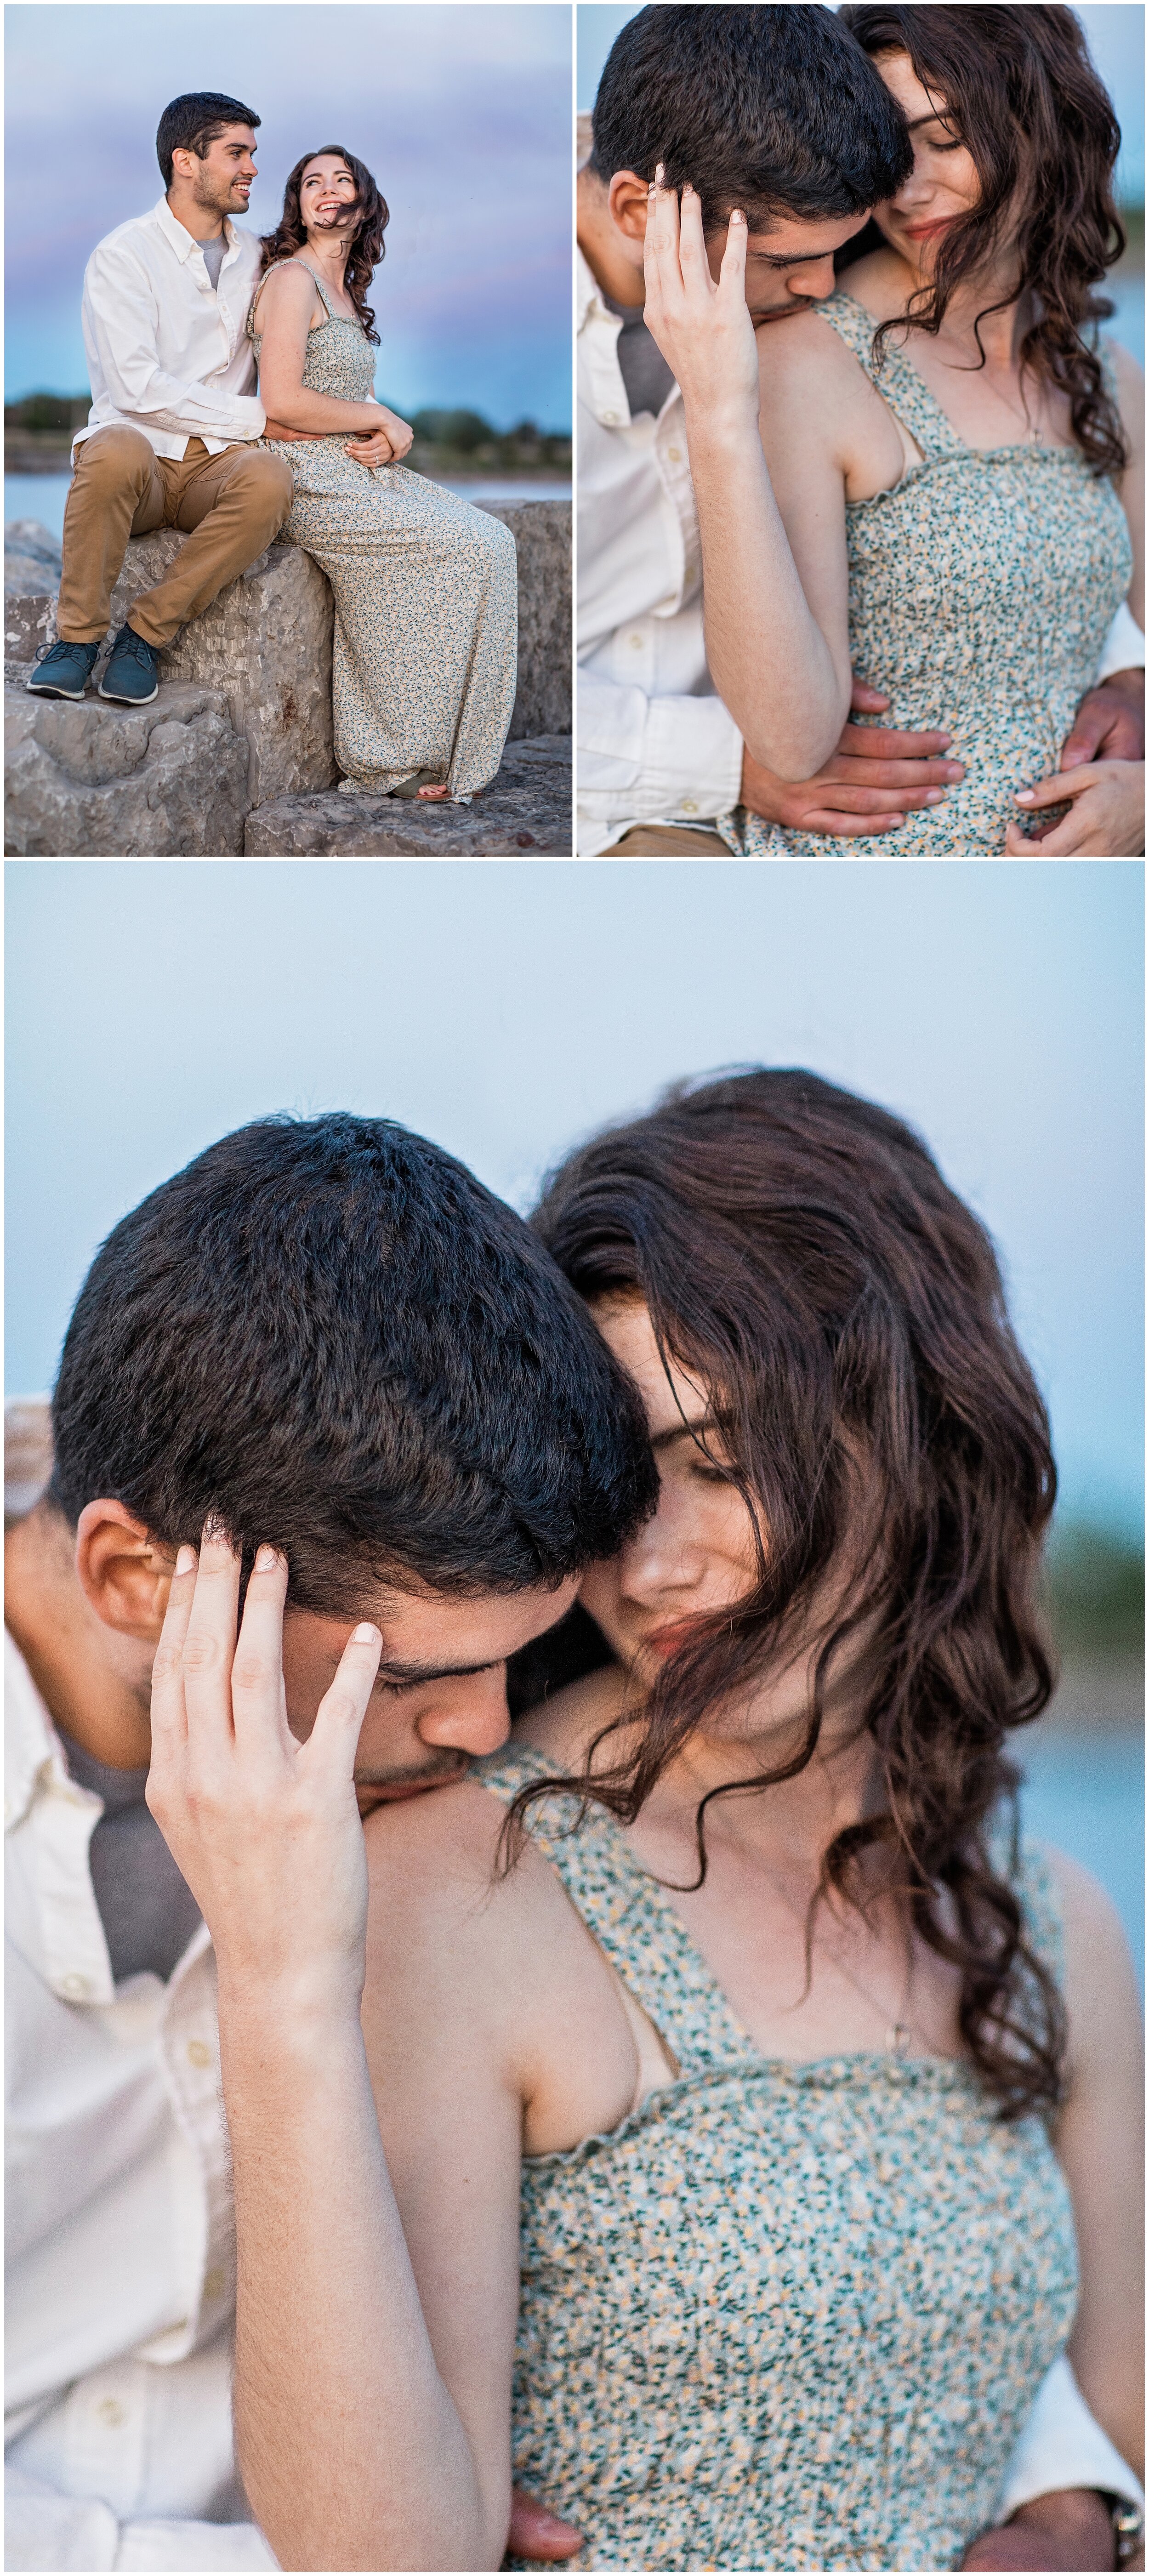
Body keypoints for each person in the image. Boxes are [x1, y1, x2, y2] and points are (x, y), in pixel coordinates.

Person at [148, 1074, 1143, 2574]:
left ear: (924, 1437)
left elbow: (1125, 2411)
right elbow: (383, 2553)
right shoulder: (464, 1883)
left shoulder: (1044, 1909)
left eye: (729, 1462)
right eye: (621, 1480)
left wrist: (1083, 2523)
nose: (657, 1561)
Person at [4, 1113, 655, 2573]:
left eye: (522, 1661)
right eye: (412, 1680)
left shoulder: (425, 1631)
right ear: (127, 1572)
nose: (486, 1731)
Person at [575, 6, 1144, 858]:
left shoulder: (1102, 367)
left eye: (946, 139)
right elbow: (792, 734)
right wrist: (725, 407)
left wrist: (1132, 702)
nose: (906, 191)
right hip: (743, 835)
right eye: (897, 153)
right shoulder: (801, 360)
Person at [248, 148, 518, 801]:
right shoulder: (291, 279)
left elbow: (338, 404)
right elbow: (278, 402)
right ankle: (392, 759)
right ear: (299, 206)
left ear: (364, 204)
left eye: (343, 180)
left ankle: (442, 748)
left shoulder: (344, 291)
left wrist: (380, 435)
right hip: (306, 476)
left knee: (494, 542)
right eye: (313, 182)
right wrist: (378, 415)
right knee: (471, 547)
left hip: (354, 469)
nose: (328, 189)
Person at [27, 95, 295, 711]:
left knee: (269, 476)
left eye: (253, 154)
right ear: (186, 161)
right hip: (139, 464)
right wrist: (261, 417)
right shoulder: (123, 255)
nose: (253, 168)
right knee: (114, 444)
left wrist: (369, 411)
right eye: (237, 153)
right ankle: (75, 641)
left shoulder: (260, 259)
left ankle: (144, 638)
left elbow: (307, 336)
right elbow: (135, 388)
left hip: (215, 468)